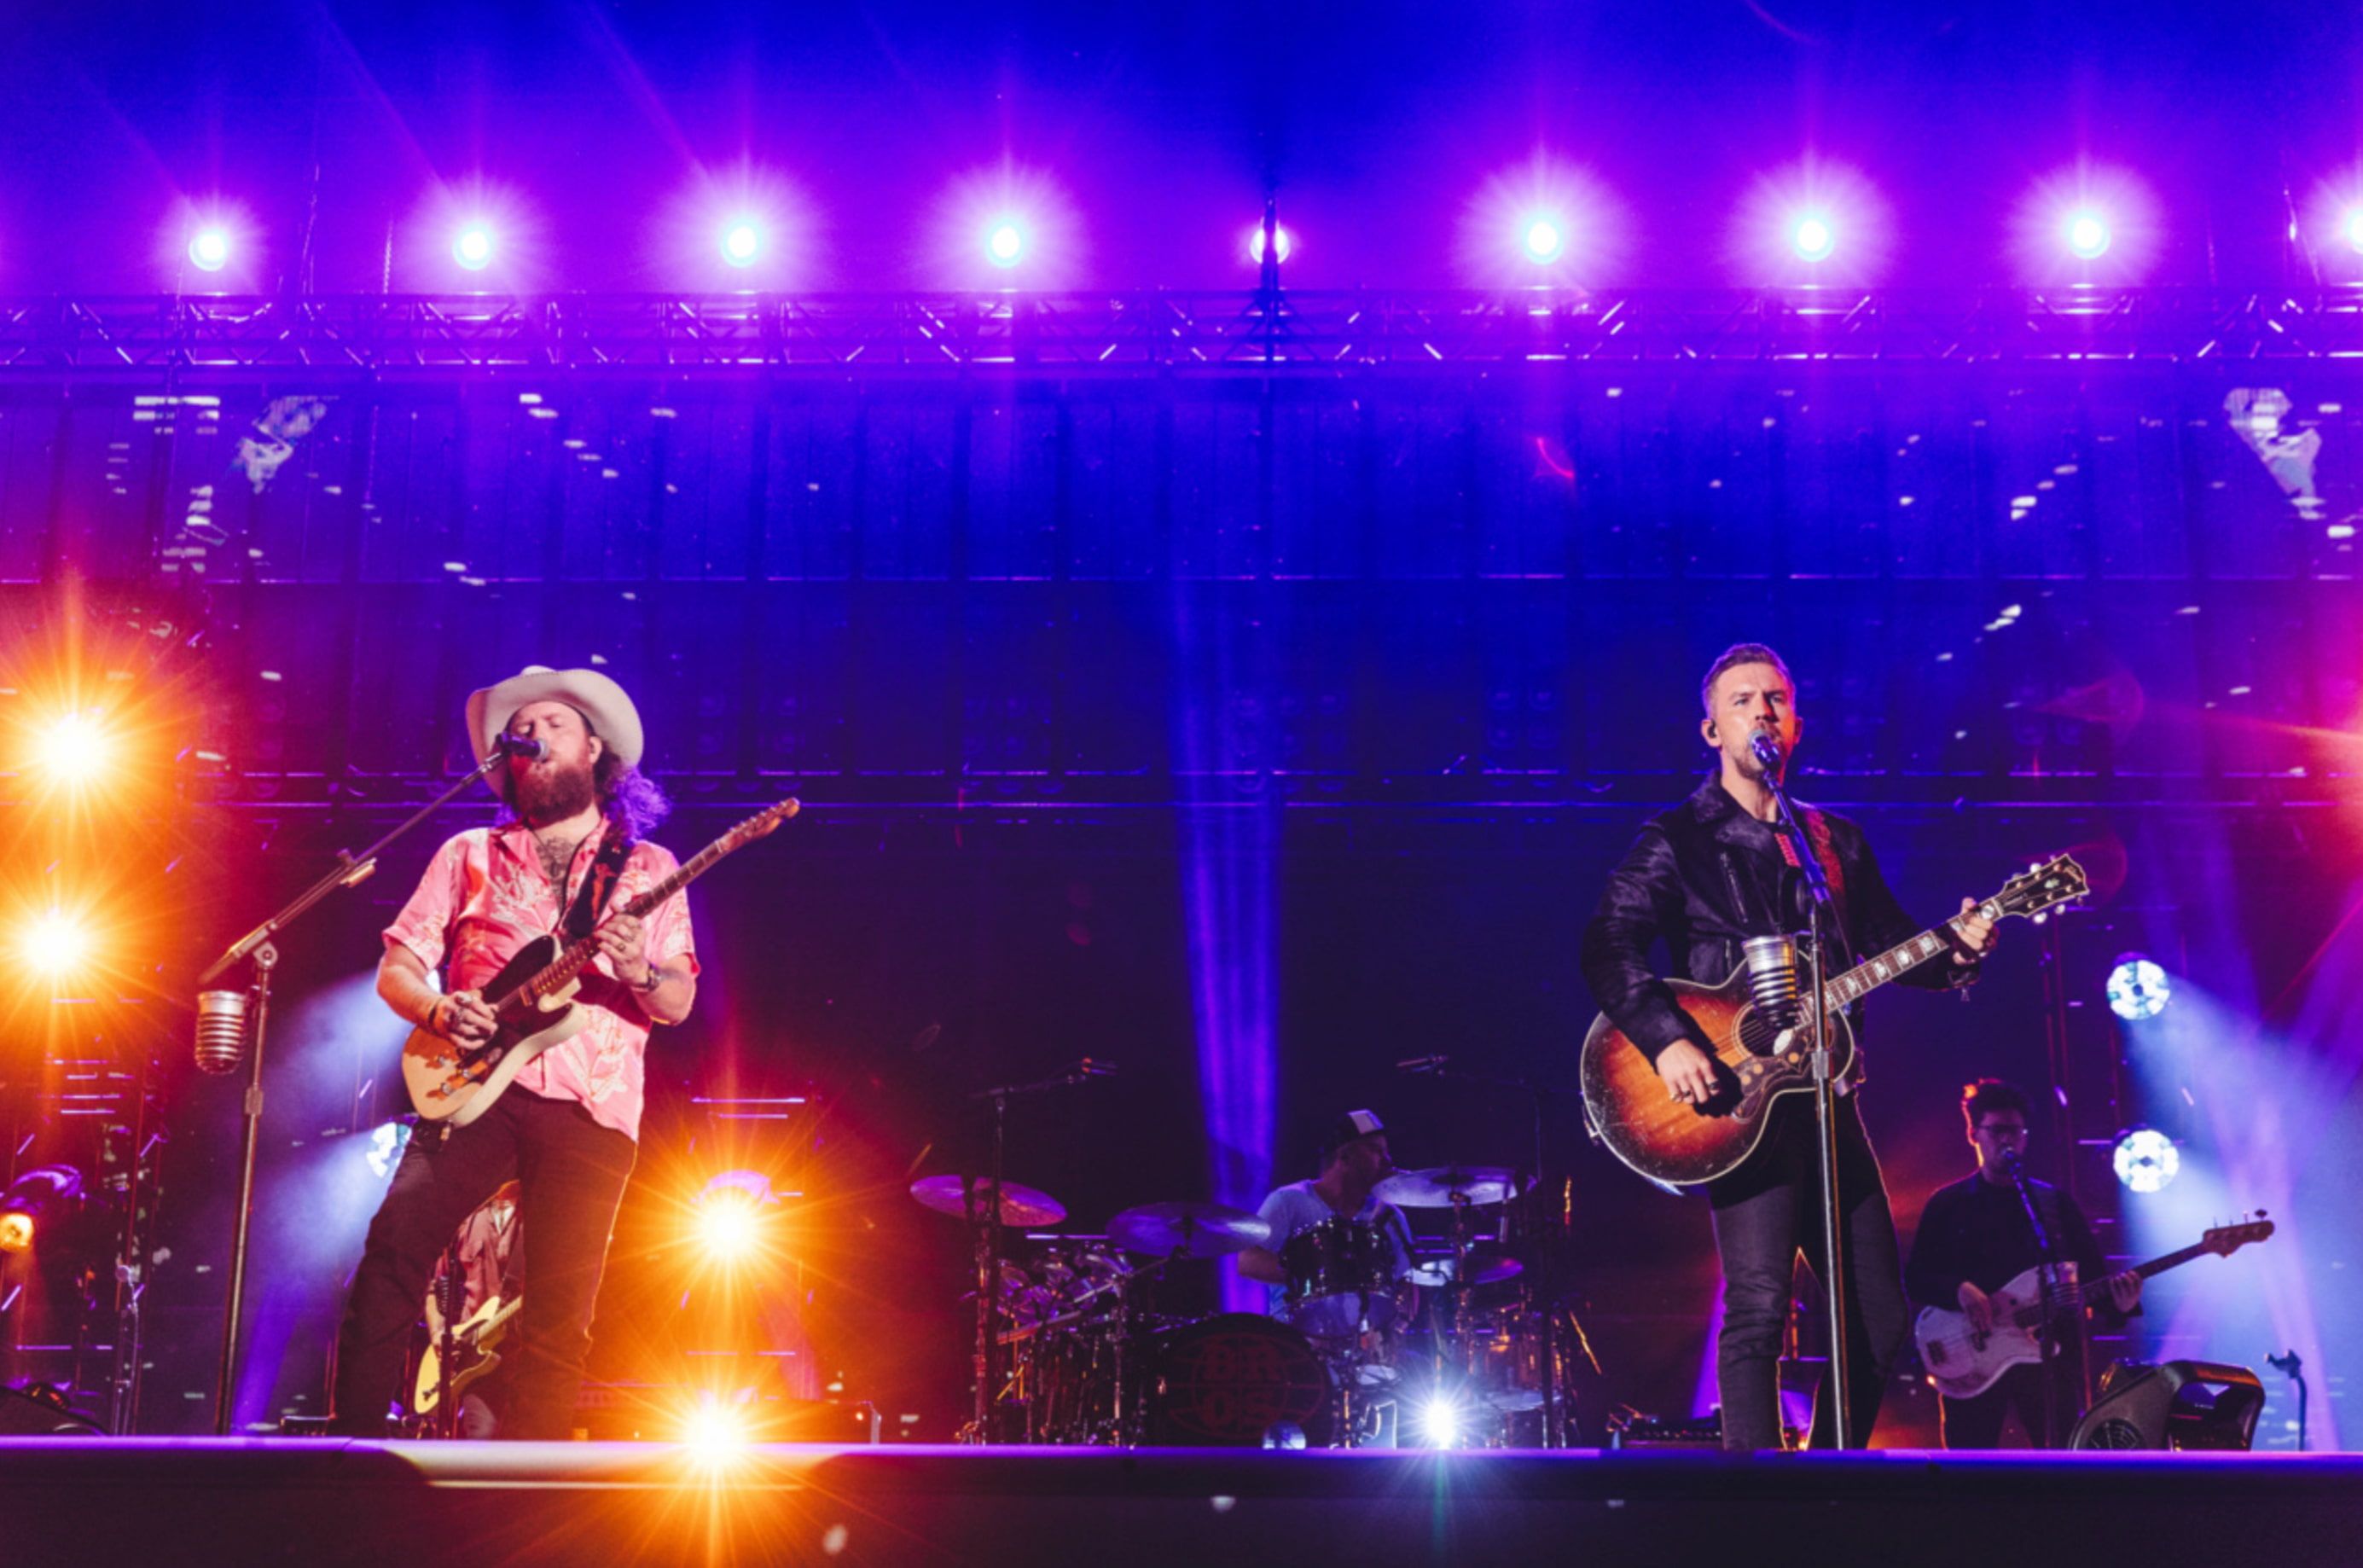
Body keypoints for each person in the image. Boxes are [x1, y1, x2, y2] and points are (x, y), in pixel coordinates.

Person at [1578, 642, 1999, 1451]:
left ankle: (1825, 1479)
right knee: (1761, 1307)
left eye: (1774, 699)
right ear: (1712, 730)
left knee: (1880, 1319)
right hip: (1739, 1099)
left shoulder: (1831, 842)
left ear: (1796, 724)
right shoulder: (1677, 839)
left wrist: (1961, 949)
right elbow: (1608, 945)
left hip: (1827, 1101)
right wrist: (1668, 1042)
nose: (1761, 712)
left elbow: (1894, 947)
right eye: (1741, 701)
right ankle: (1755, 1496)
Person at [328, 666, 699, 1439]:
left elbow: (677, 1002)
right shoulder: (468, 852)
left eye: (553, 724)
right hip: (469, 1089)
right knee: (394, 1253)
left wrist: (638, 969)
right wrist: (437, 1007)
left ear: (594, 750)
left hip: (591, 1100)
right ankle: (351, 1451)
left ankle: (538, 1482)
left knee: (562, 1309)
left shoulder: (648, 869)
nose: (532, 737)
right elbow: (397, 966)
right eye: (521, 730)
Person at [1905, 1078, 2141, 1448]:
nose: (2007, 1140)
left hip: (2047, 1361)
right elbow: (1916, 1278)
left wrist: (2120, 1304)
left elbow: (2090, 1279)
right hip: (1971, 1359)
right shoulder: (1947, 1204)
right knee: (1970, 1467)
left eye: (2015, 1131)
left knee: (2061, 1460)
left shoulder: (2054, 1206)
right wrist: (1959, 1290)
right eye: (1997, 1130)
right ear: (1973, 1134)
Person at [1238, 1111, 1415, 1327]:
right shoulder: (1289, 1201)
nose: (1387, 1160)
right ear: (1346, 1157)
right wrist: (1316, 1272)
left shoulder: (1391, 1217)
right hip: (1294, 1338)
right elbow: (1247, 1262)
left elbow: (1406, 1282)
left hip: (1366, 1339)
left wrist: (1399, 1322)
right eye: (1375, 1150)